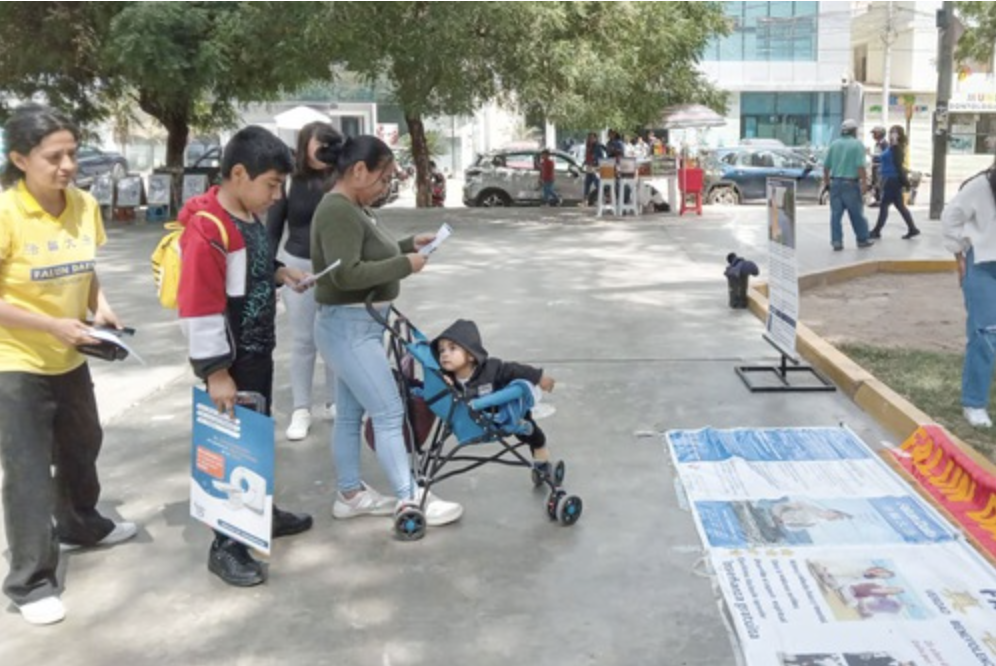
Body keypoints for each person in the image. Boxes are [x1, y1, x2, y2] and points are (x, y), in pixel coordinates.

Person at [0, 103, 137, 625]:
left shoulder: (83, 205)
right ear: (20, 158)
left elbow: (86, 270)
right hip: (15, 360)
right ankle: (30, 581)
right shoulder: (6, 213)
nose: (67, 166)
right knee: (28, 470)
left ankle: (81, 523)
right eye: (53, 156)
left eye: (73, 154)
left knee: (83, 443)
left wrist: (98, 306)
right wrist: (53, 325)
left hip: (71, 353)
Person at [177, 126, 314, 587]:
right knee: (228, 449)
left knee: (254, 441)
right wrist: (215, 373)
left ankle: (259, 513)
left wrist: (280, 272)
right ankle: (226, 546)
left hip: (257, 350)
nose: (277, 196)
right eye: (271, 185)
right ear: (239, 174)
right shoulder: (209, 226)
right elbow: (199, 303)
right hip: (229, 359)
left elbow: (251, 265)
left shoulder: (248, 216)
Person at [310, 134, 463, 528]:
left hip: (356, 325)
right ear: (358, 171)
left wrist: (409, 245)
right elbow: (347, 273)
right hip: (349, 327)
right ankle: (410, 498)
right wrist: (404, 265)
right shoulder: (337, 210)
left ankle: (351, 493)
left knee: (350, 414)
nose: (385, 186)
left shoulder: (354, 208)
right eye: (383, 178)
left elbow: (367, 254)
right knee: (389, 410)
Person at [266, 122, 340, 442]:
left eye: (329, 143)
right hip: (298, 264)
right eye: (318, 143)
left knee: (335, 338)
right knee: (303, 341)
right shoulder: (289, 182)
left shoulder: (342, 177)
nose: (323, 149)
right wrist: (272, 271)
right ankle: (301, 408)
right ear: (304, 145)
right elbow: (271, 230)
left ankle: (337, 402)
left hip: (336, 267)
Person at [431, 319, 557, 475]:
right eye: (441, 350)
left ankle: (541, 457)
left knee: (530, 434)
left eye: (452, 348)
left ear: (470, 355)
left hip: (506, 416)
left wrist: (539, 377)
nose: (445, 354)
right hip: (474, 421)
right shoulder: (447, 378)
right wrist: (443, 382)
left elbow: (515, 370)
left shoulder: (491, 368)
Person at [941, 166, 996, 428]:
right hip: (985, 265)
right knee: (985, 334)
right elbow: (951, 217)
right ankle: (974, 402)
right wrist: (958, 254)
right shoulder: (980, 186)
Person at [823, 119, 875, 251]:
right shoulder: (857, 145)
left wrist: (827, 182)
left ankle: (836, 241)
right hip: (850, 184)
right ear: (854, 131)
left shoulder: (834, 144)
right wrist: (864, 183)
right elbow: (860, 167)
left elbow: (826, 166)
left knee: (835, 214)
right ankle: (862, 239)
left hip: (835, 183)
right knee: (856, 213)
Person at [870, 125, 920, 240]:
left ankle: (877, 231)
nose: (892, 134)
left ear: (899, 135)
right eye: (891, 131)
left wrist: (905, 182)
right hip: (888, 178)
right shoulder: (891, 147)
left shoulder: (897, 148)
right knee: (899, 206)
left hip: (893, 179)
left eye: (895, 132)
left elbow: (898, 166)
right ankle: (912, 228)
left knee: (884, 205)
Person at [581, 132, 606, 207]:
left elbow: (601, 157)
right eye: (589, 138)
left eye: (592, 138)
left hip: (595, 167)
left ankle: (604, 199)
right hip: (589, 167)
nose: (590, 139)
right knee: (587, 184)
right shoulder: (588, 146)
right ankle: (585, 201)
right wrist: (584, 163)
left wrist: (597, 164)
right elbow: (587, 156)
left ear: (595, 138)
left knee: (597, 184)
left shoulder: (598, 146)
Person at [869, 125, 888, 206]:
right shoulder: (877, 144)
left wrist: (872, 155)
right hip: (875, 165)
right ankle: (877, 199)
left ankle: (881, 199)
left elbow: (884, 155)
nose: (873, 136)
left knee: (880, 183)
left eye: (875, 134)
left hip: (880, 166)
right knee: (875, 182)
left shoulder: (884, 144)